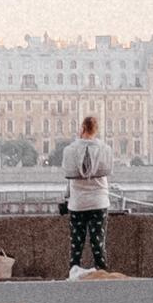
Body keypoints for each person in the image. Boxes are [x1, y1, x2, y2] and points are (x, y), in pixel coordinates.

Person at [60, 114, 113, 273]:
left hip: (77, 203)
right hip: (99, 202)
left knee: (76, 244)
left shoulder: (70, 150)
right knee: (98, 244)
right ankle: (102, 273)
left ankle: (73, 273)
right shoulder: (105, 149)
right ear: (96, 130)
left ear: (82, 128)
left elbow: (68, 174)